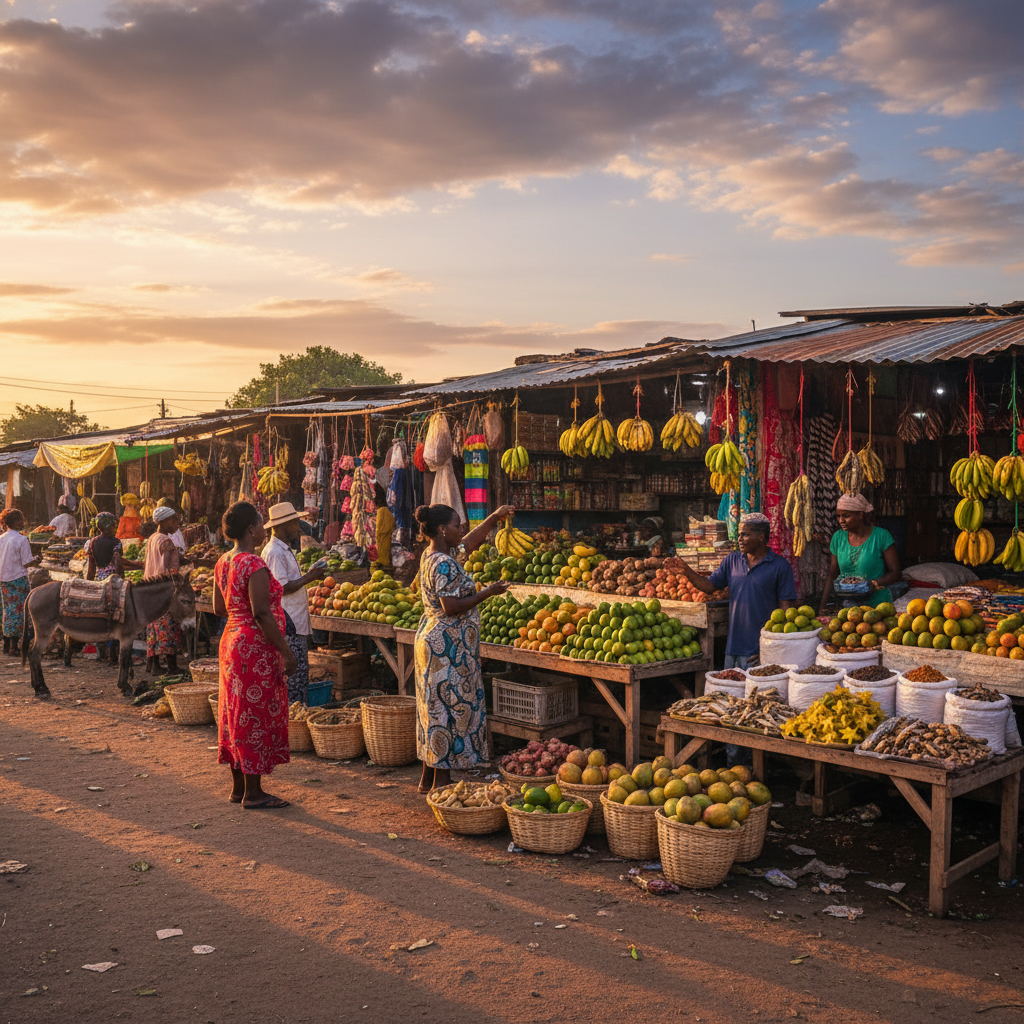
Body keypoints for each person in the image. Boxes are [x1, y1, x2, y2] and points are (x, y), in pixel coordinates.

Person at [413, 501, 515, 794]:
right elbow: (451, 605)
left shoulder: (435, 553)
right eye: (458, 525)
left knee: (432, 710)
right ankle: (442, 785)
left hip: (436, 643)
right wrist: (488, 592)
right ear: (443, 530)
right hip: (445, 649)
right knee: (446, 710)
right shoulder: (442, 562)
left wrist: (494, 516)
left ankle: (427, 779)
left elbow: (469, 543)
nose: (463, 529)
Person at [214, 500, 297, 809]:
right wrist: (286, 652)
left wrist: (239, 616)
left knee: (235, 713)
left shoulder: (224, 561)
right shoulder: (253, 563)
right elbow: (262, 612)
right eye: (262, 524)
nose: (264, 529)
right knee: (253, 714)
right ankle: (254, 793)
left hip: (231, 641)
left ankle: (239, 788)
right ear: (251, 529)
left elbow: (218, 608)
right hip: (254, 646)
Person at [677, 512, 796, 669]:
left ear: (761, 537)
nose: (739, 539)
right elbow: (709, 586)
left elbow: (787, 613)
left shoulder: (780, 566)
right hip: (733, 648)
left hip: (761, 649)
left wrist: (770, 650)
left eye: (745, 535)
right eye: (739, 534)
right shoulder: (731, 561)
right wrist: (687, 571)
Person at [261, 501, 327, 704]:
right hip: (287, 623)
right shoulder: (274, 552)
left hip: (295, 622)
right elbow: (281, 588)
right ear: (281, 526)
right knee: (293, 680)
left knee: (299, 679)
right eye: (294, 523)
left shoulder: (284, 549)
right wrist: (311, 576)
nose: (298, 528)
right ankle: (291, 724)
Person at [819, 493, 900, 615]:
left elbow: (895, 573)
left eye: (846, 516)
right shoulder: (838, 537)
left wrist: (872, 585)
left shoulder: (881, 536)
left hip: (878, 607)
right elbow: (832, 574)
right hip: (848, 608)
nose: (841, 520)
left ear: (860, 515)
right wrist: (822, 607)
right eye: (838, 516)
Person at [144, 505, 184, 675]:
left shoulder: (153, 538)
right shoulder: (166, 541)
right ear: (164, 521)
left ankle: (154, 666)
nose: (176, 523)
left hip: (151, 589)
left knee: (154, 628)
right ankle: (172, 666)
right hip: (165, 590)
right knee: (169, 628)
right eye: (173, 520)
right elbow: (170, 570)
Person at [0, 509, 39, 656]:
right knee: (20, 612)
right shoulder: (22, 539)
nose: (23, 523)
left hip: (3, 578)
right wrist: (37, 559)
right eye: (21, 520)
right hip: (17, 578)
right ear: (16, 522)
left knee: (7, 610)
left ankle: (6, 643)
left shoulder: (2, 538)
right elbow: (27, 562)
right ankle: (14, 647)